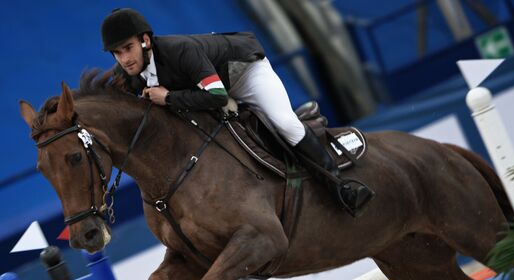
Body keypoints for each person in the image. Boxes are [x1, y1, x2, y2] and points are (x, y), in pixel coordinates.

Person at [100, 8, 372, 214]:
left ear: (145, 40)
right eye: (117, 53)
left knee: (284, 122)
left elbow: (217, 97)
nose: (124, 59)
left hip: (244, 74)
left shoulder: (180, 50)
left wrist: (169, 97)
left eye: (128, 48)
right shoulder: (129, 73)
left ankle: (340, 187)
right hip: (206, 91)